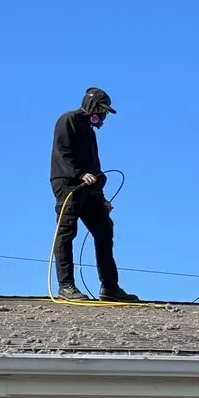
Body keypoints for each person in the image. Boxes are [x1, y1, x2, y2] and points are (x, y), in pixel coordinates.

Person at [50, 88, 139, 303]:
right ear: (93, 108)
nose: (104, 116)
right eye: (102, 110)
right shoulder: (68, 120)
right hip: (68, 184)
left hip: (90, 188)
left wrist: (101, 196)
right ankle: (66, 286)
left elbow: (94, 167)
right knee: (67, 232)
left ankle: (110, 287)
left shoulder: (89, 132)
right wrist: (80, 174)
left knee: (104, 228)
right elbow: (63, 152)